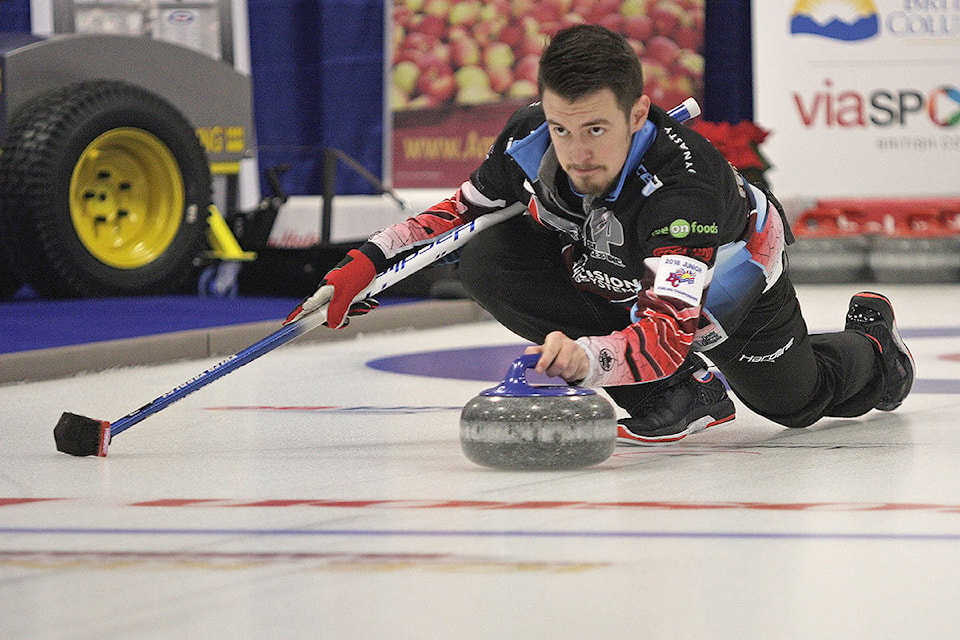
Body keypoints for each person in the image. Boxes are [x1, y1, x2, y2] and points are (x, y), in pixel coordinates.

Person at [286, 24, 914, 445]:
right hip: (613, 261)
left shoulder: (683, 189)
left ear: (638, 113)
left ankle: (876, 350)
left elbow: (669, 334)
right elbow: (459, 211)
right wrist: (366, 264)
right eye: (563, 128)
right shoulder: (533, 137)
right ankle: (682, 396)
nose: (576, 152)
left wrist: (588, 360)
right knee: (488, 257)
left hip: (727, 283)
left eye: (595, 130)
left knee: (794, 404)